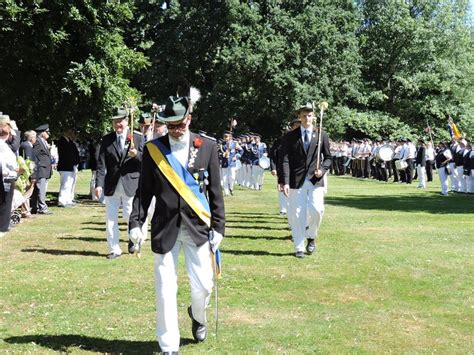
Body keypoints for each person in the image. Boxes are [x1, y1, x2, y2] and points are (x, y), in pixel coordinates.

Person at [128, 91, 225, 353]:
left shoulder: (208, 147)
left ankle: (197, 314)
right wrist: (136, 223)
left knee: (204, 285)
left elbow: (215, 190)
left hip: (198, 227)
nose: (175, 130)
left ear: (190, 119)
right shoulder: (153, 150)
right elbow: (143, 192)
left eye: (180, 124)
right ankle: (169, 344)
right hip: (165, 227)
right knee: (164, 288)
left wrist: (219, 227)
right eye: (170, 126)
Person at [279, 103, 331, 258]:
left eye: (309, 115)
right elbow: (284, 160)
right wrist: (285, 181)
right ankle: (299, 246)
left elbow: (328, 158)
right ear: (299, 117)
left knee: (317, 210)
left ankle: (312, 236)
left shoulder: (321, 135)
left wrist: (321, 170)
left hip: (315, 180)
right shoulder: (290, 136)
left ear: (314, 117)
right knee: (297, 214)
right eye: (304, 115)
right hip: (296, 180)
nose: (307, 118)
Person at [95, 107, 144, 259]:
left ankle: (133, 239)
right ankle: (114, 249)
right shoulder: (107, 139)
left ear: (127, 120)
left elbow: (146, 161)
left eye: (121, 121)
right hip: (112, 185)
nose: (118, 124)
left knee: (130, 215)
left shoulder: (138, 138)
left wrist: (136, 155)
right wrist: (99, 184)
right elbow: (101, 164)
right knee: (111, 219)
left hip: (131, 184)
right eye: (115, 121)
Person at [0, 114, 19, 233]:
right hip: (6, 175)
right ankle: (3, 226)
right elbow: (11, 158)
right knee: (5, 203)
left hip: (6, 174)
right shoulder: (3, 145)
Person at [30, 124, 53, 215]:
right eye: (47, 132)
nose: (48, 134)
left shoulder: (42, 141)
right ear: (42, 133)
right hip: (41, 168)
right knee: (41, 189)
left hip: (44, 168)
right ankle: (42, 207)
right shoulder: (38, 142)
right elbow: (35, 155)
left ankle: (34, 207)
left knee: (38, 189)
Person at [57, 129, 80, 207]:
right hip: (65, 166)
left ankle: (68, 200)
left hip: (71, 166)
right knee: (65, 184)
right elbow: (65, 154)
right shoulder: (62, 141)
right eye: (70, 132)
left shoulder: (70, 141)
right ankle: (62, 201)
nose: (72, 134)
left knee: (70, 184)